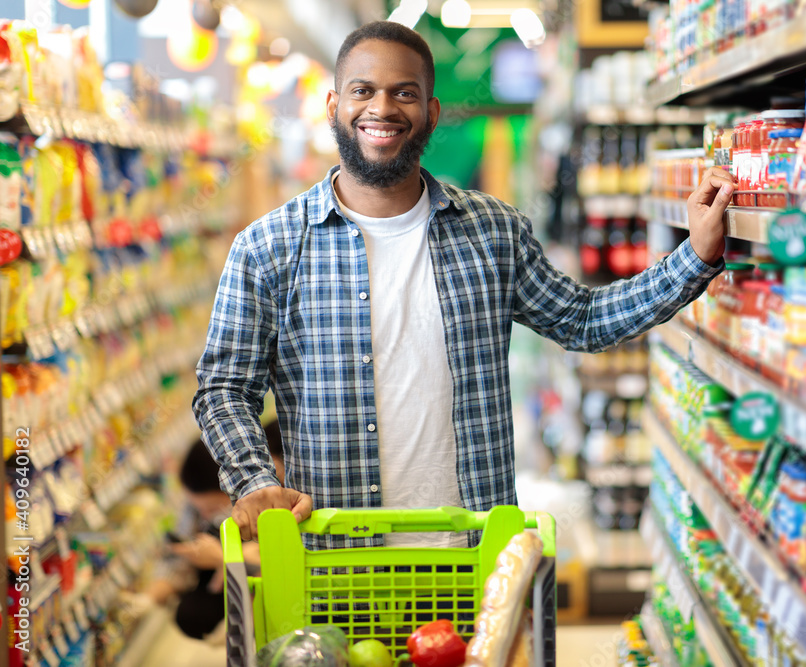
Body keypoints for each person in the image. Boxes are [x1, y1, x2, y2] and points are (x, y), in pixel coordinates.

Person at [193, 21, 735, 550]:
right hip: (337, 560)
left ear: (430, 113)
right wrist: (254, 481)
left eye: (403, 93)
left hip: (474, 560)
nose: (381, 108)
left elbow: (583, 320)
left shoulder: (493, 231)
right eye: (363, 91)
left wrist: (694, 255)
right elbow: (224, 388)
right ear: (334, 106)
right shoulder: (267, 249)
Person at [151, 422, 284, 639]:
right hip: (239, 563)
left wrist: (226, 560)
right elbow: (178, 551)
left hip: (267, 568)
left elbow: (280, 568)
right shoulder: (200, 490)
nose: (206, 516)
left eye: (213, 508)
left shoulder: (276, 482)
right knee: (192, 614)